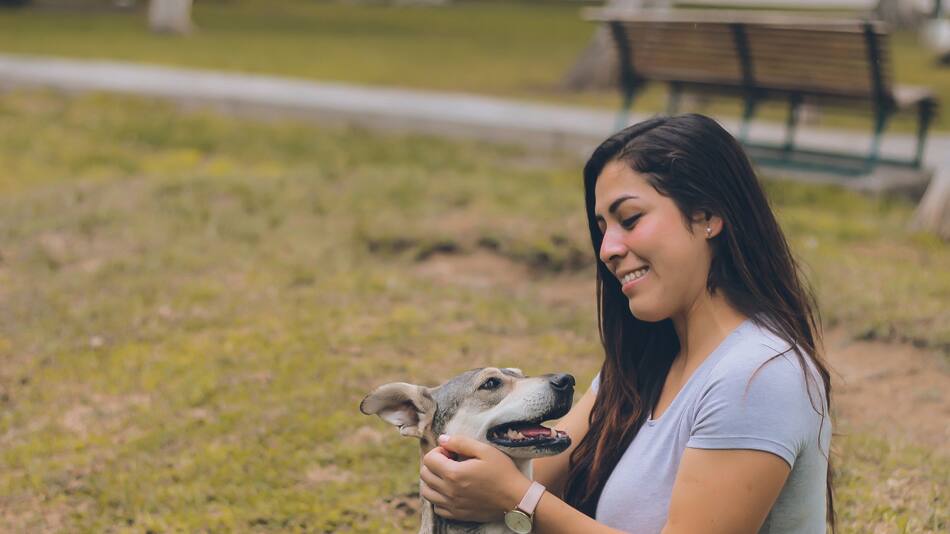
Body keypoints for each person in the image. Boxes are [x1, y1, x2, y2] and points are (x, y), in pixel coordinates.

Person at [419, 114, 835, 533]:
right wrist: (459, 465)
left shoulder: (758, 375)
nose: (607, 249)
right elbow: (538, 467)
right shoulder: (648, 363)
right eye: (602, 229)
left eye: (630, 219)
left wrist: (520, 501)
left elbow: (521, 491)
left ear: (707, 214)